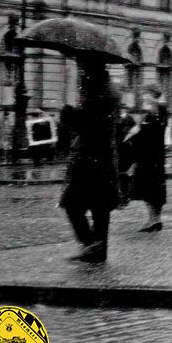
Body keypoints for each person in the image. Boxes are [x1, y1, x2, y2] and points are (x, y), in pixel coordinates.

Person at [60, 62, 120, 263]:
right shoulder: (106, 90)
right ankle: (97, 250)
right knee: (99, 208)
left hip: (91, 161)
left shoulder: (99, 93)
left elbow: (89, 124)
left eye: (83, 68)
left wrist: (68, 113)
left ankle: (91, 246)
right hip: (100, 161)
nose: (81, 72)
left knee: (73, 205)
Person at [130, 90, 167, 232]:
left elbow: (147, 138)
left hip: (149, 160)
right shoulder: (158, 115)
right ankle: (155, 220)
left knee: (150, 191)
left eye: (147, 99)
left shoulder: (153, 117)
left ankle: (153, 221)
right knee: (155, 191)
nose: (144, 101)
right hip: (155, 159)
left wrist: (136, 132)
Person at [116, 106, 137, 207]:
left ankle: (125, 197)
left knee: (125, 175)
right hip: (121, 151)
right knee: (122, 175)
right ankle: (124, 197)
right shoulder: (118, 119)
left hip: (126, 151)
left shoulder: (128, 120)